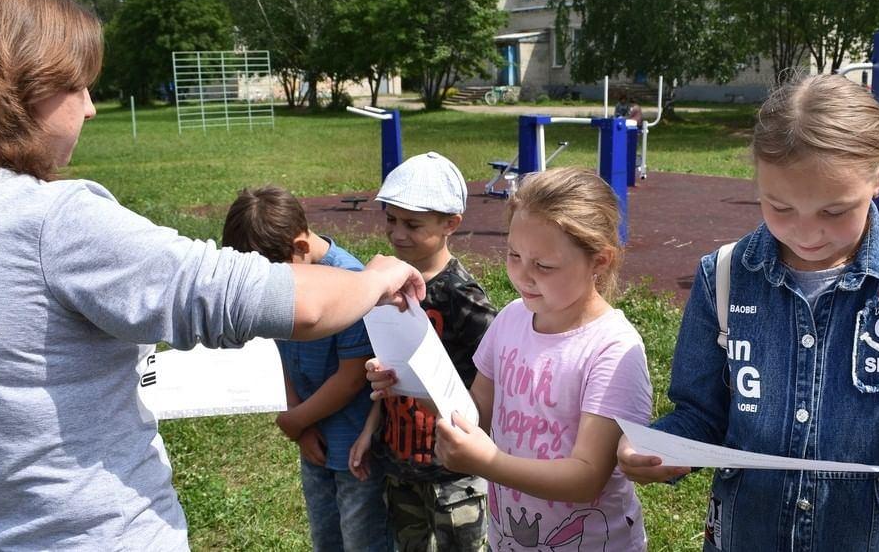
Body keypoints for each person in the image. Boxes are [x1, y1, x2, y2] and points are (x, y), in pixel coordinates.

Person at [0, 0, 424, 549]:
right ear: (17, 87)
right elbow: (288, 303)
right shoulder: (51, 224)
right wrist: (376, 275)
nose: (89, 109)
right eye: (77, 86)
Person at [617, 74, 879, 551]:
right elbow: (701, 416)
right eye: (780, 206)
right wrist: (659, 447)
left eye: (835, 212)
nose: (807, 233)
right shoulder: (724, 275)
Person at [370, 166, 654, 550]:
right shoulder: (510, 319)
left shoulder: (611, 347)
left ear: (599, 261)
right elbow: (475, 415)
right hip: (512, 538)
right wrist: (409, 381)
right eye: (514, 254)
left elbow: (587, 478)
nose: (522, 275)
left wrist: (487, 464)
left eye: (544, 265)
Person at [221, 186, 392, 552]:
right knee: (326, 536)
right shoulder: (283, 282)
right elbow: (279, 351)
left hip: (354, 446)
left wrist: (296, 421)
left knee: (363, 538)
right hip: (312, 435)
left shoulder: (351, 284)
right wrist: (298, 421)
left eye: (272, 278)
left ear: (299, 247)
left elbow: (351, 378)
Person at [348, 151, 497, 552]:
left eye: (412, 224)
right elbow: (390, 371)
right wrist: (369, 428)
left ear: (451, 224)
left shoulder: (462, 296)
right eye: (391, 220)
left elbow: (498, 374)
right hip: (401, 464)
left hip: (456, 471)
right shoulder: (384, 284)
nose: (397, 234)